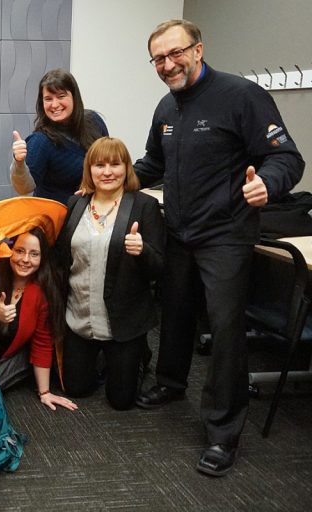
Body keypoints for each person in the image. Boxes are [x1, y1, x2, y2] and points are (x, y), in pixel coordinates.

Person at [133, 19, 305, 476]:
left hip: (226, 236)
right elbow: (152, 163)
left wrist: (267, 184)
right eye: (159, 59)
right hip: (180, 231)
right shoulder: (166, 109)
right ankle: (170, 383)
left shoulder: (240, 96)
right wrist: (105, 176)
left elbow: (287, 157)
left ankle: (223, 433)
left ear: (198, 49)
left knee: (227, 332)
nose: (168, 64)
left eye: (176, 54)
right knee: (176, 311)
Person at [58, 137, 164, 411]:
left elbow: (160, 268)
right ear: (89, 170)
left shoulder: (144, 206)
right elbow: (61, 257)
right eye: (99, 165)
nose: (107, 172)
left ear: (126, 168)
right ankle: (101, 358)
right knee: (76, 389)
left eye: (115, 164)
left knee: (121, 401)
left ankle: (139, 355)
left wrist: (143, 251)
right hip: (80, 317)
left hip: (123, 323)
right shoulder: (76, 204)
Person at [0, 227, 77, 412]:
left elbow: (42, 343)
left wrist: (45, 392)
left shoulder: (40, 294)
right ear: (10, 252)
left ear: (42, 259)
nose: (25, 260)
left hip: (3, 361)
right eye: (19, 251)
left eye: (34, 254)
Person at [10, 69, 108, 205]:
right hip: (57, 218)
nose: (55, 105)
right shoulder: (40, 140)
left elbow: (108, 160)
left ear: (74, 96)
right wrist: (19, 163)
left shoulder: (94, 121)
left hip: (95, 210)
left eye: (61, 96)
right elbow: (24, 188)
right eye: (48, 99)